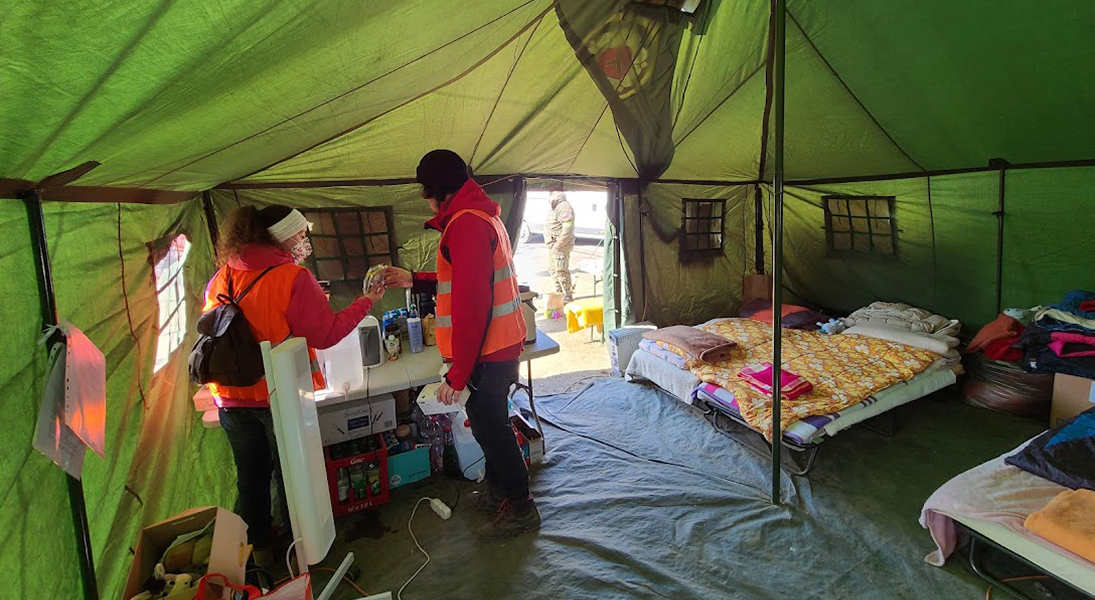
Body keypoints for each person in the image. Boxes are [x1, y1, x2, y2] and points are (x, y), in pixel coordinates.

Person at [203, 205, 385, 551]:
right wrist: (365, 302)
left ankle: (254, 548)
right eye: (301, 235)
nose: (305, 241)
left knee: (250, 477)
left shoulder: (222, 275)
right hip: (277, 396)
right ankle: (297, 547)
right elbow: (326, 334)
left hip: (229, 396)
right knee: (293, 475)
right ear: (282, 236)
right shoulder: (293, 278)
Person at [385, 149, 538, 541]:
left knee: (493, 429)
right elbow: (463, 278)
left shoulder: (466, 224)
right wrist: (415, 280)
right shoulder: (478, 217)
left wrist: (459, 373)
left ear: (435, 193)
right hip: (493, 348)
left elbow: (473, 306)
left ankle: (522, 507)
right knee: (487, 428)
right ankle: (499, 490)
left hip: (489, 351)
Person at [544, 191, 576, 302]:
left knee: (561, 270)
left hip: (560, 246)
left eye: (551, 194)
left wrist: (558, 245)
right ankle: (559, 293)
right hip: (553, 246)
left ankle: (567, 295)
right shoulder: (556, 207)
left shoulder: (564, 207)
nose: (549, 197)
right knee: (553, 269)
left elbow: (568, 227)